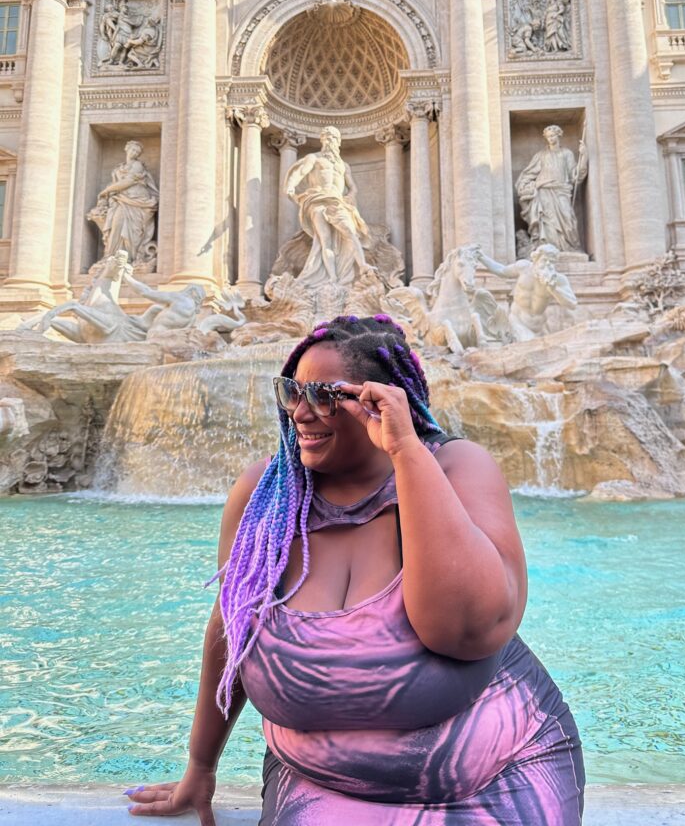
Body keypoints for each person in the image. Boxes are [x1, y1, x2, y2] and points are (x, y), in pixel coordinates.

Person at [123, 314, 585, 824]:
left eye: (323, 395)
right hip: (320, 786)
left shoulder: (455, 468)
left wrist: (406, 450)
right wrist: (200, 767)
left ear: (382, 399)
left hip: (501, 776)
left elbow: (467, 631)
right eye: (291, 392)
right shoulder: (267, 496)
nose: (301, 411)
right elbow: (230, 630)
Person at [284, 126, 371, 286]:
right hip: (317, 201)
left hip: (337, 202)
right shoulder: (314, 158)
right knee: (325, 241)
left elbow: (352, 186)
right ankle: (332, 278)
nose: (330, 140)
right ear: (322, 140)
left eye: (333, 137)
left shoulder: (343, 165)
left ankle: (363, 265)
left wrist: (350, 195)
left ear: (338, 142)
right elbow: (301, 172)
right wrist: (290, 186)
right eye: (327, 137)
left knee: (351, 233)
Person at [516, 125, 588, 252]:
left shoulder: (567, 153)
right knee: (547, 221)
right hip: (544, 191)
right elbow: (528, 174)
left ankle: (569, 247)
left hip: (562, 190)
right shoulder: (540, 155)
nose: (550, 138)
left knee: (567, 219)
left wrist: (584, 157)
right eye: (548, 136)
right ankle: (549, 249)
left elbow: (575, 175)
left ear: (559, 135)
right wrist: (526, 186)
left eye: (553, 135)